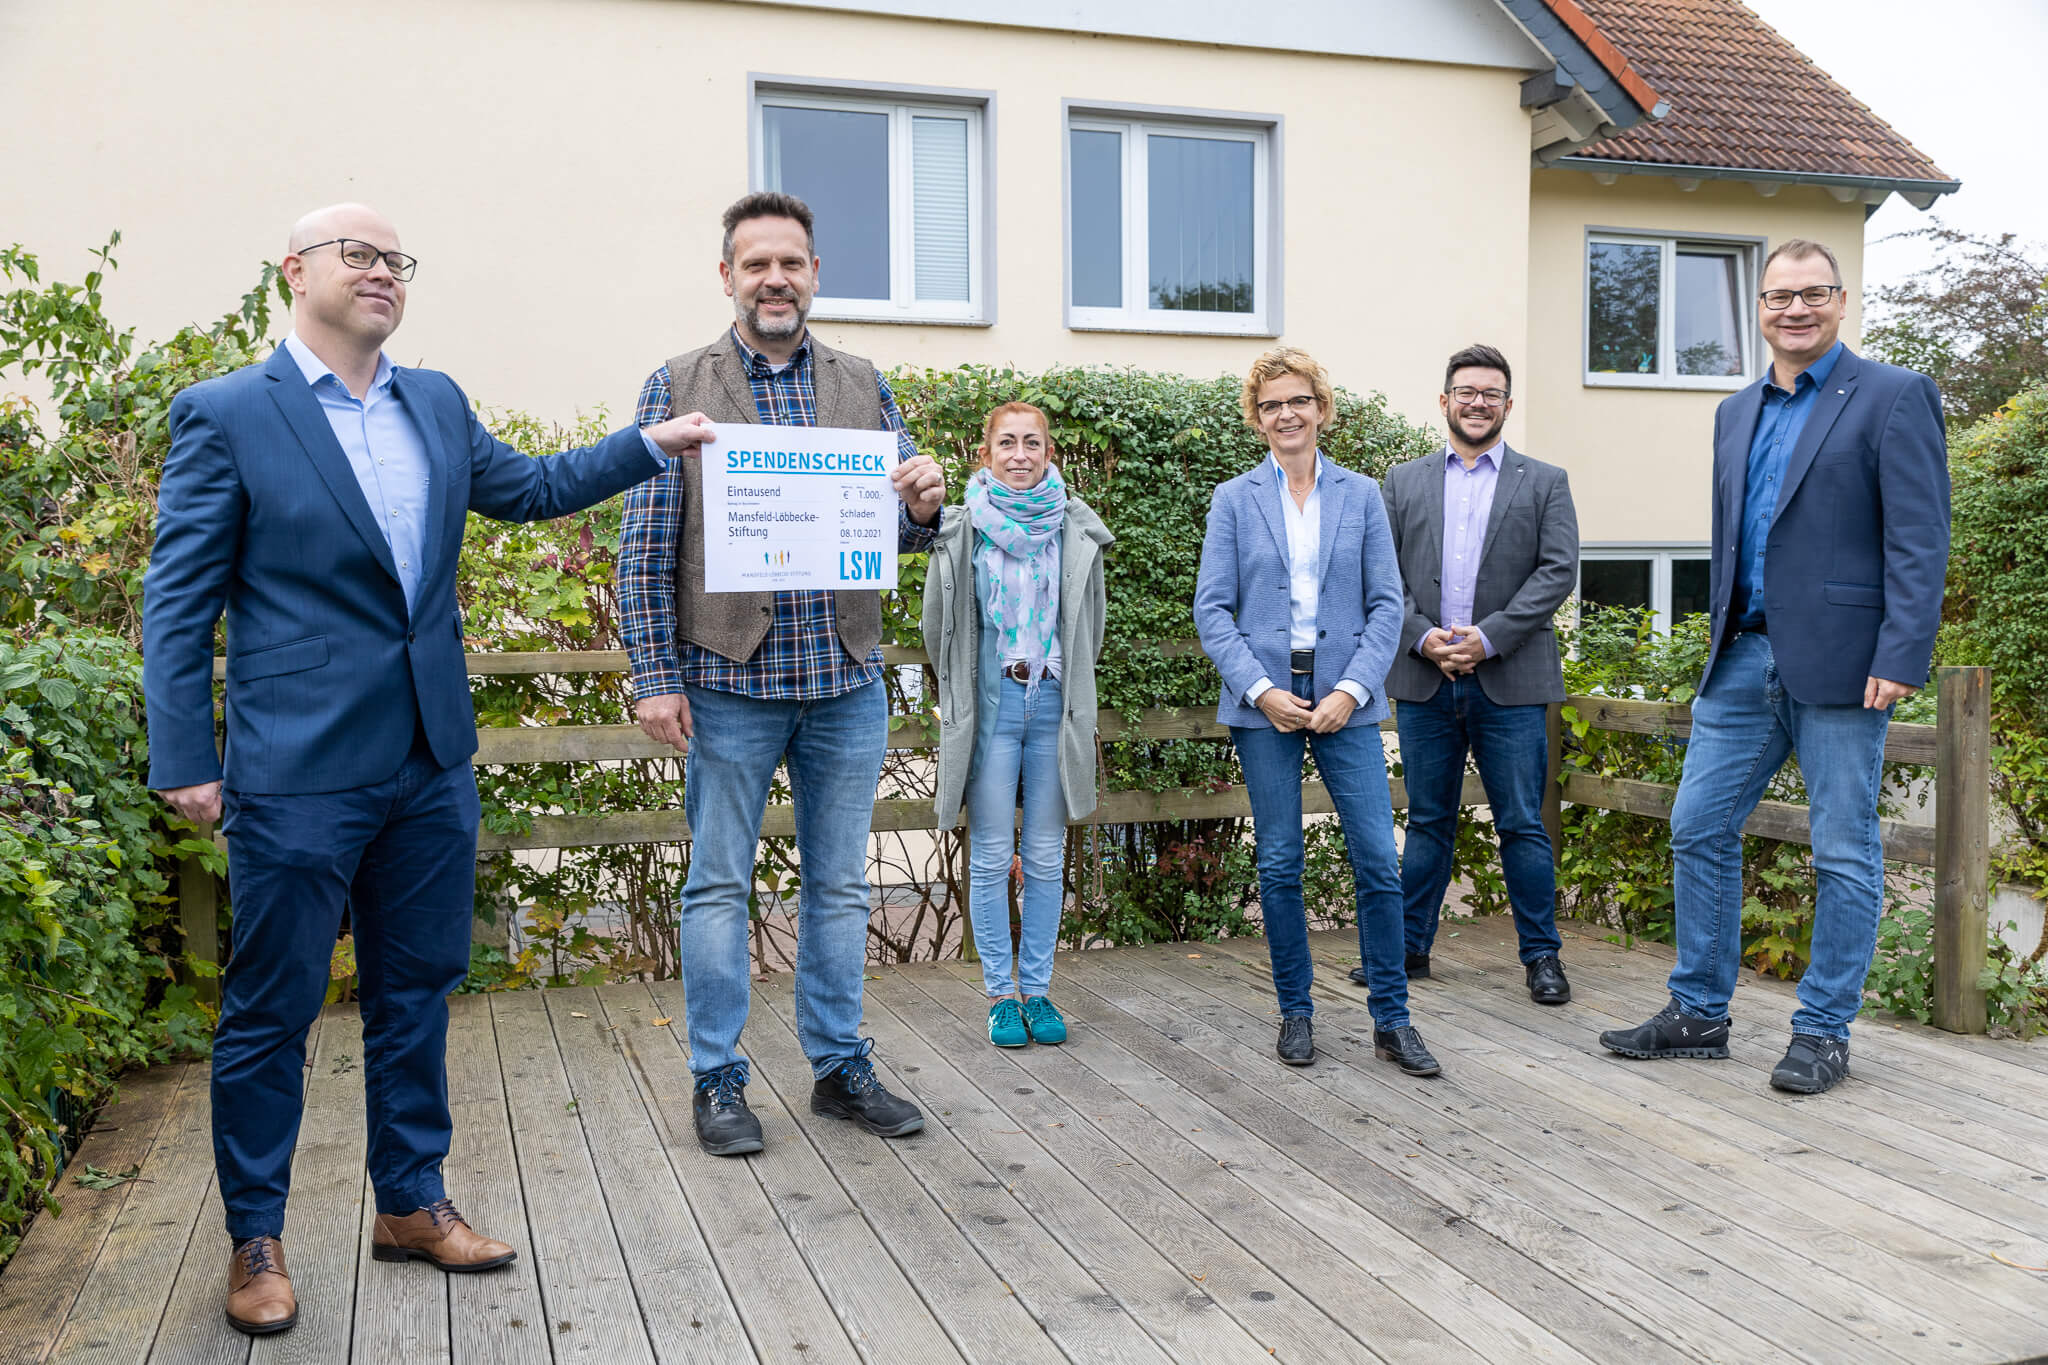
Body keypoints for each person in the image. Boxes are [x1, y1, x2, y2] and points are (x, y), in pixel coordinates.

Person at [142, 203, 709, 1336]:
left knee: (415, 996)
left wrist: (652, 443)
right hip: (295, 768)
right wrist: (183, 755)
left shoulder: (435, 401)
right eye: (358, 253)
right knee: (270, 1009)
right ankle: (256, 1236)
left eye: (396, 259)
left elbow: (533, 489)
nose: (383, 272)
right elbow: (178, 597)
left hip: (428, 761)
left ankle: (409, 1202)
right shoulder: (226, 416)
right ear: (292, 271)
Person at [618, 191, 946, 1155]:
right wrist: (653, 671)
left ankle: (840, 1065)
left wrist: (923, 509)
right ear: (727, 276)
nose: (775, 279)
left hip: (844, 681)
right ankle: (717, 1079)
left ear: (813, 274)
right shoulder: (678, 382)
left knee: (840, 886)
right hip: (728, 685)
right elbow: (644, 545)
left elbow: (884, 527)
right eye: (755, 263)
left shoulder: (863, 382)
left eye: (790, 263)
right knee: (719, 885)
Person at [1599, 238, 1950, 1094]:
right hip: (1741, 657)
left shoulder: (1895, 397)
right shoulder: (1733, 412)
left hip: (1844, 663)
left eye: (1812, 294)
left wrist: (1901, 651)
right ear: (1757, 308)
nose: (1794, 310)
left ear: (1840, 300)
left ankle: (1824, 1030)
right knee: (1696, 824)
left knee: (1842, 848)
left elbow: (1919, 536)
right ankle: (1699, 1013)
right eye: (1777, 297)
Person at [1194, 346, 1440, 1076]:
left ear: (1321, 408)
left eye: (1298, 400)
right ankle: (1295, 1012)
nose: (1286, 414)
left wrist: (1352, 692)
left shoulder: (1361, 495)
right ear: (1258, 418)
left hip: (1347, 702)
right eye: (1271, 405)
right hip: (1264, 704)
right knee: (1278, 864)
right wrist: (1261, 692)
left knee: (1378, 861)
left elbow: (1386, 604)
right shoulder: (1233, 499)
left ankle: (1392, 1021)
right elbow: (1212, 609)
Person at [1373, 344, 1578, 1003]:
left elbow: (1557, 572)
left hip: (1511, 680)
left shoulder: (1544, 481)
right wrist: (1424, 637)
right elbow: (1381, 576)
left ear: (1507, 405)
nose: (1478, 401)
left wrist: (1486, 640)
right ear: (1444, 401)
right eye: (1466, 391)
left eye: (1491, 393)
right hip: (1425, 678)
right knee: (1428, 819)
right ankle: (1407, 949)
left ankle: (1542, 958)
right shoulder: (1401, 482)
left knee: (1521, 819)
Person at [923, 402, 1113, 1047]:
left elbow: (1092, 625)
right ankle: (1001, 996)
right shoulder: (958, 532)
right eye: (1007, 443)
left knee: (1045, 857)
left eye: (1033, 443)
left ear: (1049, 453)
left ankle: (1038, 991)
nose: (1021, 455)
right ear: (986, 454)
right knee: (990, 858)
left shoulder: (1075, 529)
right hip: (996, 707)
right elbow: (936, 628)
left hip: (1054, 705)